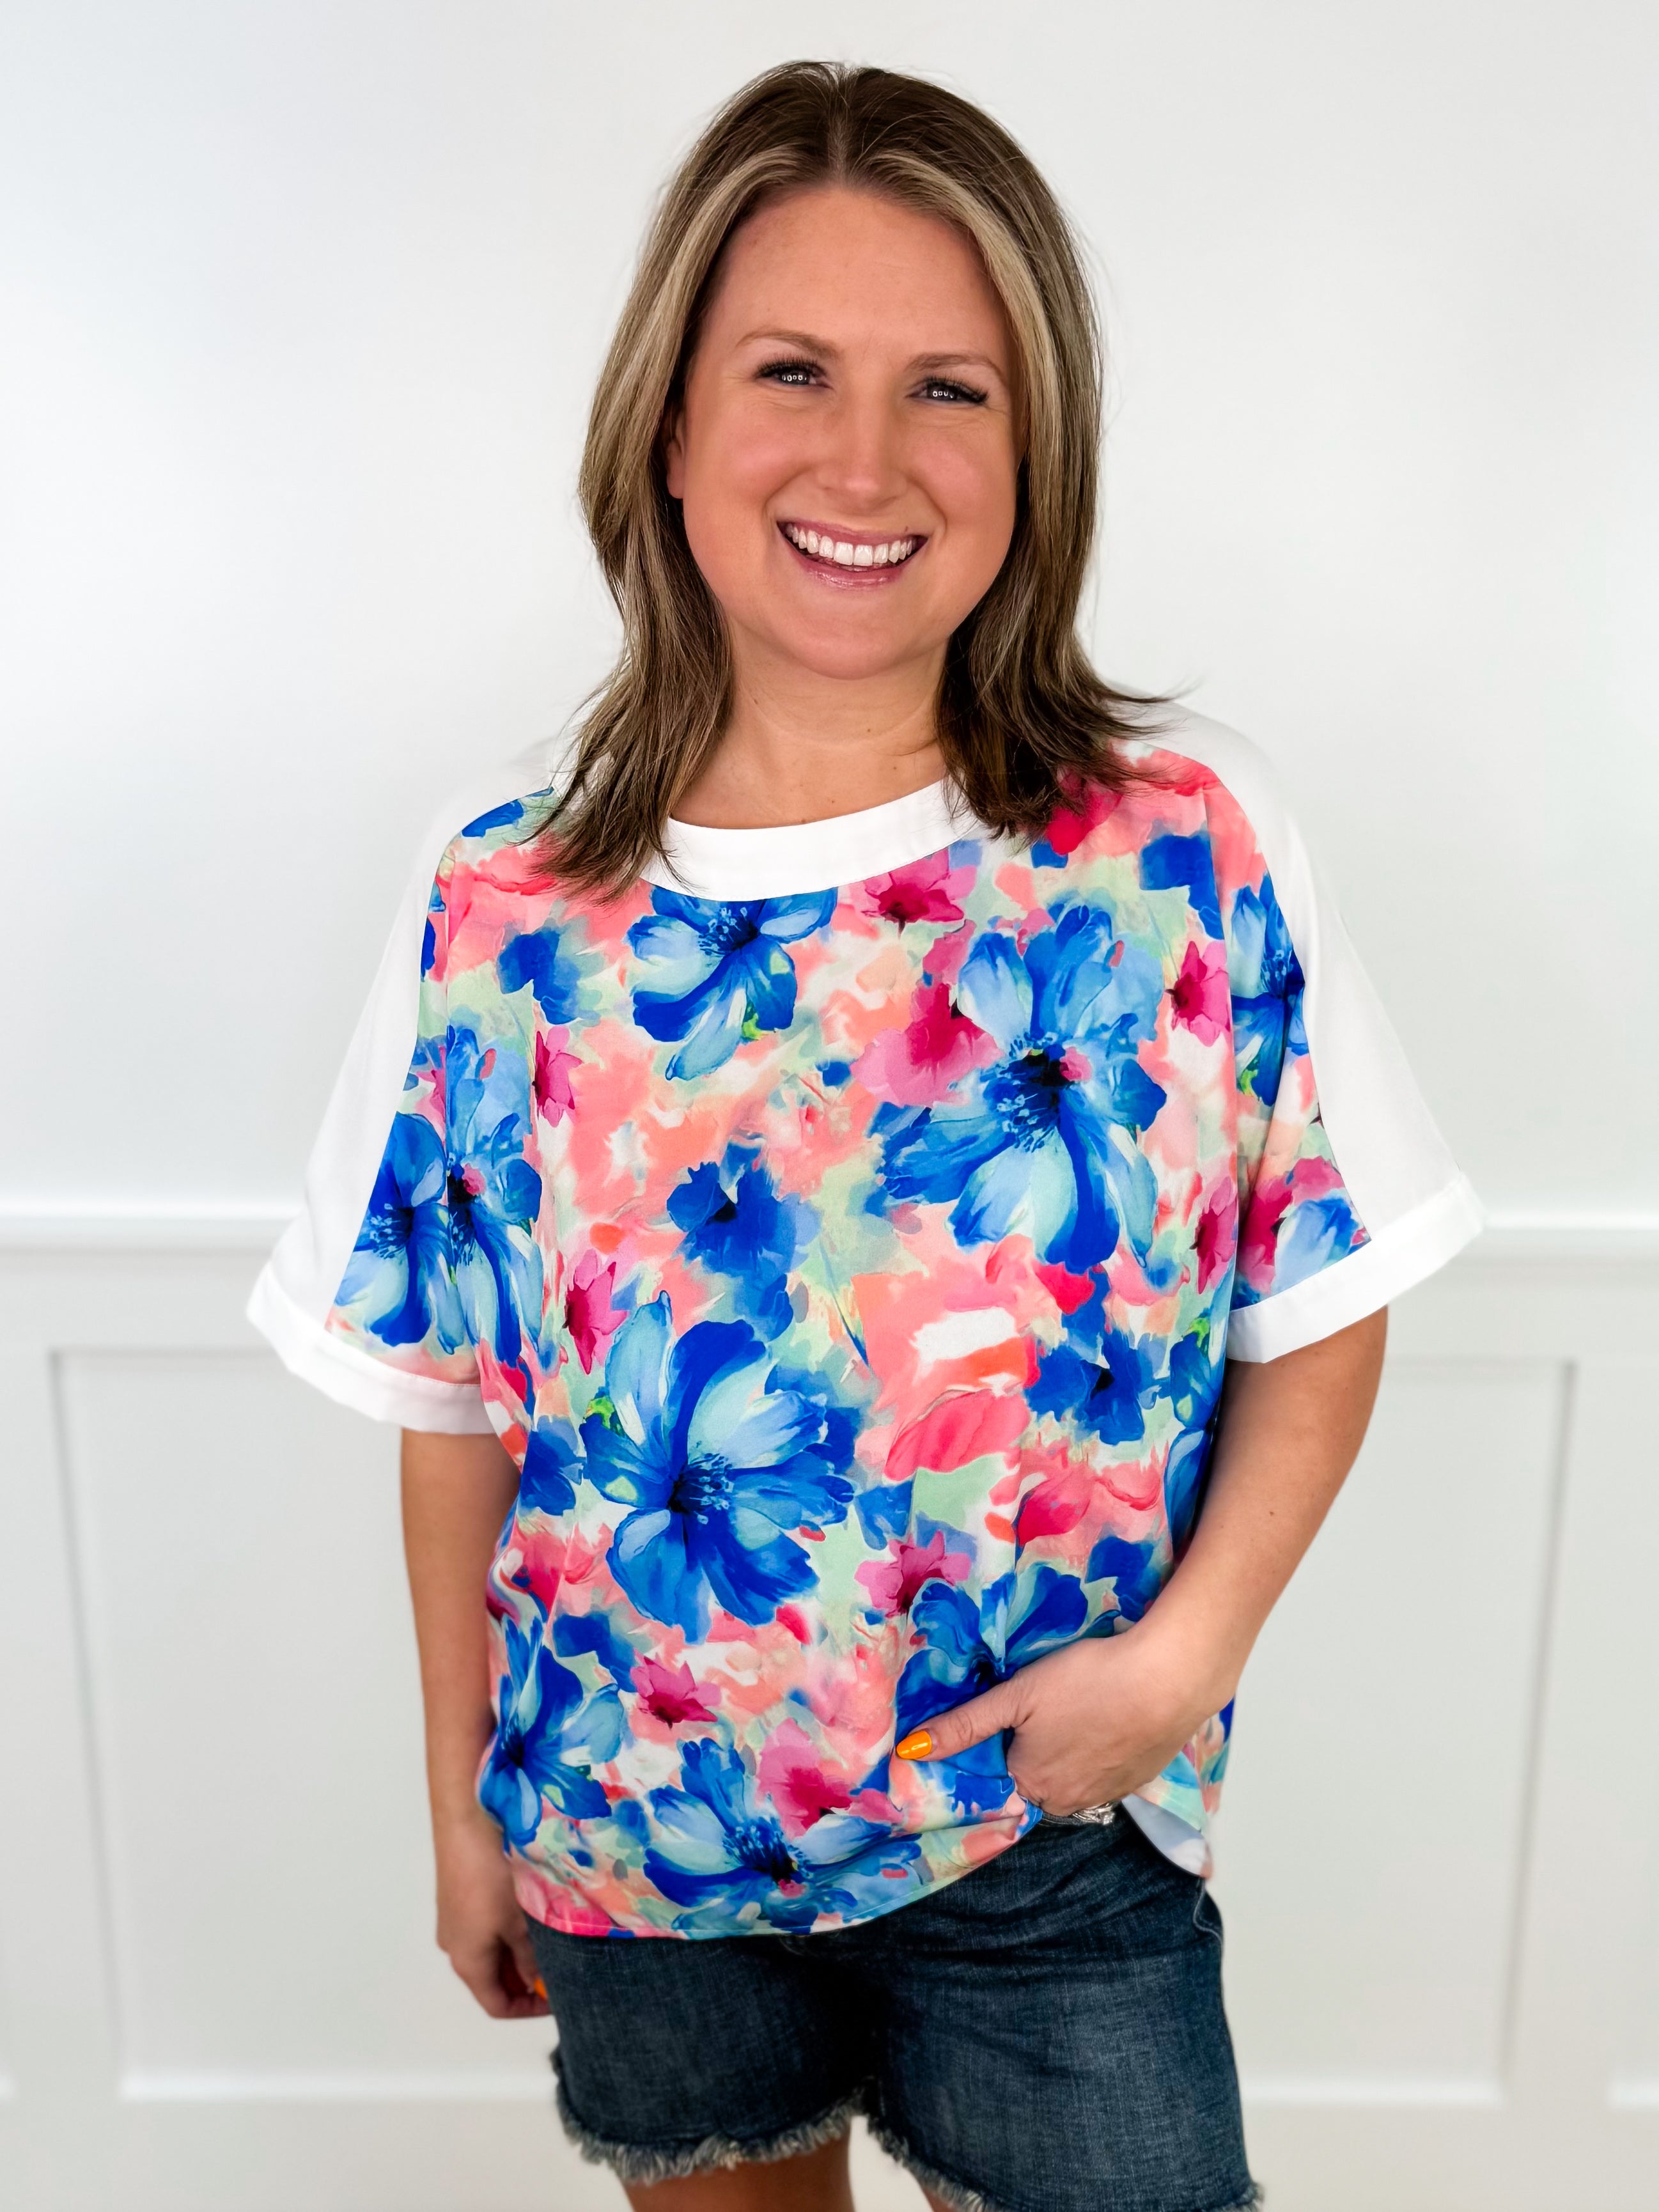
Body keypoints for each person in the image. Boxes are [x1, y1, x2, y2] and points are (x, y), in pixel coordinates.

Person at [249, 59, 1481, 2212]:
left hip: (1046, 1838)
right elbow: (453, 1402)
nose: (863, 459)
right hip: (636, 1843)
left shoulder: (1178, 847)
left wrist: (1178, 1665)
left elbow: (1323, 1294)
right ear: (668, 424)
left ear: (1036, 450)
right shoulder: (502, 901)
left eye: (949, 390)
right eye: (791, 371)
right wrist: (462, 1808)